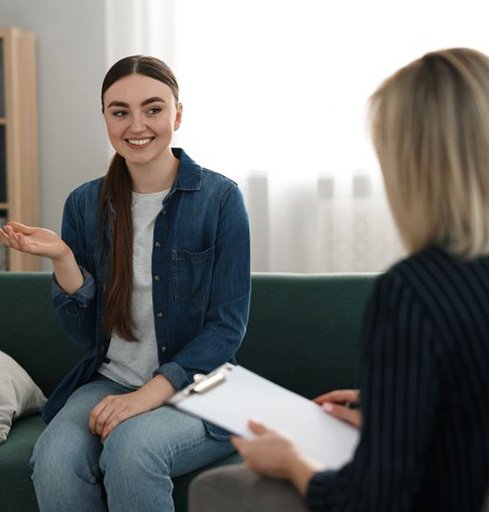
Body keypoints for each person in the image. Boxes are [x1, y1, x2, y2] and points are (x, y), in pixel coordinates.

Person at [188, 47, 489, 512]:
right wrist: (389, 407)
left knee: (219, 489)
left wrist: (291, 463)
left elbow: (374, 499)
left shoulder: (414, 291)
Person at [0, 55, 250, 512]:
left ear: (177, 114)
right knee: (54, 460)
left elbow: (226, 329)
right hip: (110, 379)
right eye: (120, 112)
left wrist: (147, 396)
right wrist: (63, 259)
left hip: (204, 387)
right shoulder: (83, 203)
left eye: (153, 109)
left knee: (132, 450)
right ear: (105, 119)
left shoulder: (221, 199)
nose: (137, 125)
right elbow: (83, 335)